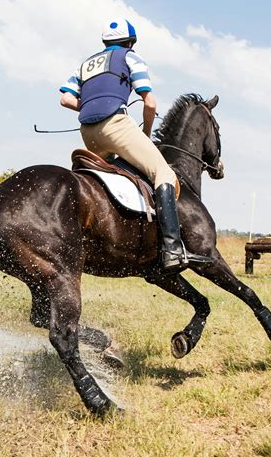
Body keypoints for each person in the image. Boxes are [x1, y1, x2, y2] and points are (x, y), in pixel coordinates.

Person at [60, 18, 212, 270]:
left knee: (117, 175)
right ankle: (173, 248)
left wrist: (87, 105)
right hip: (116, 126)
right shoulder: (131, 58)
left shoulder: (86, 64)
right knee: (163, 172)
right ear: (130, 43)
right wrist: (148, 131)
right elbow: (149, 102)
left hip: (88, 133)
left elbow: (66, 99)